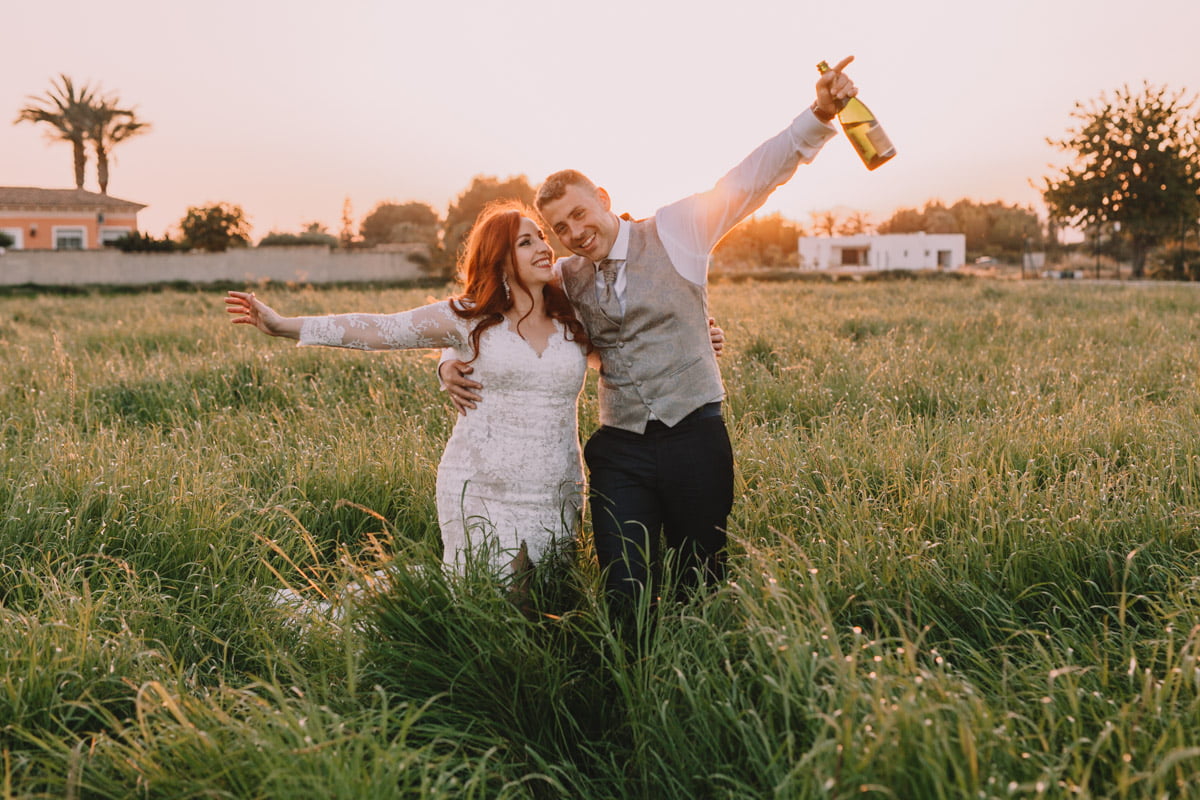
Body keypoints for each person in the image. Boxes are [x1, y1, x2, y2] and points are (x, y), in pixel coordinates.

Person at [441, 57, 859, 605]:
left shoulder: (676, 231)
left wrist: (821, 114)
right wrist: (449, 360)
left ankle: (692, 673)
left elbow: (751, 180)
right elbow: (492, 306)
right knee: (625, 586)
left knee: (699, 577)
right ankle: (627, 672)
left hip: (694, 434)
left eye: (580, 214)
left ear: (604, 200)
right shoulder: (564, 276)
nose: (573, 232)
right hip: (620, 448)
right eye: (560, 227)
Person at [227, 202, 725, 590]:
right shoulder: (466, 316)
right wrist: (284, 326)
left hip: (556, 485)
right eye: (526, 242)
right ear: (501, 258)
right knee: (498, 597)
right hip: (484, 482)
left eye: (541, 239)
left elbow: (626, 350)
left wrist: (696, 339)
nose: (544, 249)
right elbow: (380, 330)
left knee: (548, 599)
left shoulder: (572, 314)